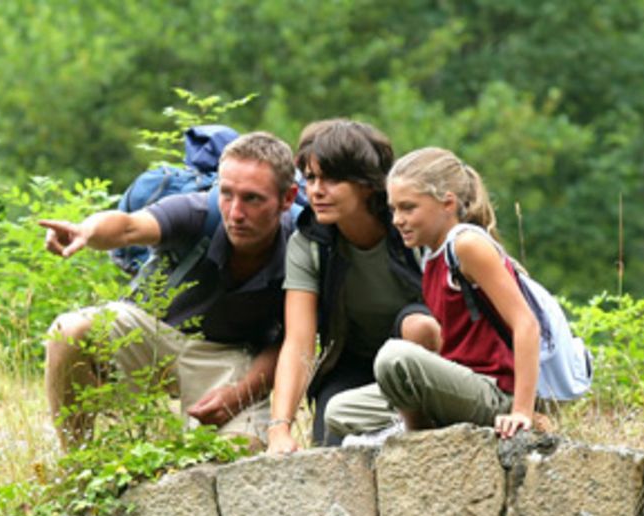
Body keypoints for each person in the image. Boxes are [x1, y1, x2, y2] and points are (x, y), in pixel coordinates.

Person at [40, 131, 300, 450]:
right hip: (150, 329)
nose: (235, 213)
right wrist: (87, 230)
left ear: (287, 199)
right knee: (69, 332)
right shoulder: (199, 211)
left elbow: (293, 342)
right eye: (227, 194)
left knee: (241, 453)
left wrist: (239, 395)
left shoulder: (302, 246)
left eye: (253, 199)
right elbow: (128, 227)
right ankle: (78, 464)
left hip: (229, 358)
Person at [331, 146, 539, 439]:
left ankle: (418, 438)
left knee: (394, 358)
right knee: (339, 410)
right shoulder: (430, 256)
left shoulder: (467, 245)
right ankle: (418, 428)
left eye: (408, 208)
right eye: (393, 209)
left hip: (496, 392)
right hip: (461, 385)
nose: (397, 220)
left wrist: (521, 411)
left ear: (448, 204)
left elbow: (526, 325)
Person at [265, 119, 439, 454]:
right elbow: (299, 342)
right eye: (311, 178)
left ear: (367, 184)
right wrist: (279, 429)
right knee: (330, 446)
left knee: (417, 325)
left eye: (331, 179)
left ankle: (422, 426)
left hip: (424, 360)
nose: (316, 190)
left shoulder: (411, 228)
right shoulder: (310, 243)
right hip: (352, 365)